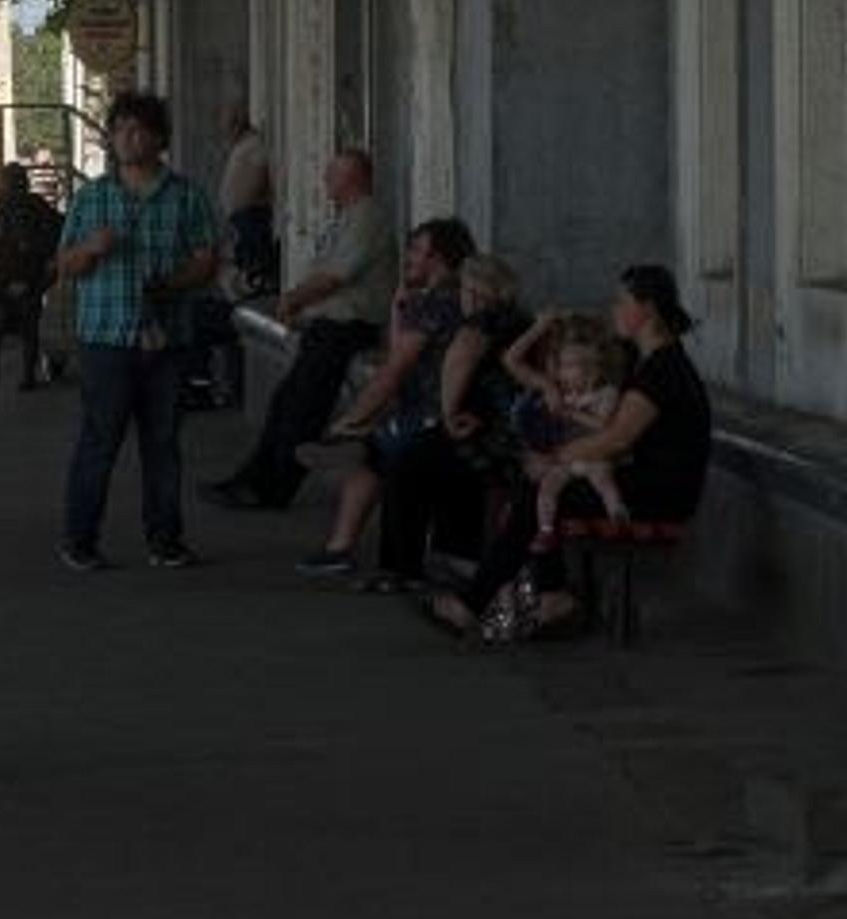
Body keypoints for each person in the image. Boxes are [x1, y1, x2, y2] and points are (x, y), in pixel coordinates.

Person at [422, 266, 712, 639]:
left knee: (534, 496)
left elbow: (616, 439)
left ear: (649, 309)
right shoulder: (656, 361)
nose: (614, 310)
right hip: (647, 482)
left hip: (657, 493)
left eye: (622, 302)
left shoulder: (663, 370)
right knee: (536, 492)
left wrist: (555, 458)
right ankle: (548, 595)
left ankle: (479, 604)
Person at [53, 89, 223, 572]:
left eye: (137, 130)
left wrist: (173, 282)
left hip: (167, 338)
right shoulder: (93, 197)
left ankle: (165, 539)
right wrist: (90, 249)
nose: (127, 138)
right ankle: (79, 539)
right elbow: (64, 264)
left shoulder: (185, 195)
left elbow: (208, 259)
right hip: (105, 338)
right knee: (99, 439)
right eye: (119, 129)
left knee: (163, 442)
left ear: (159, 138)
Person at [294, 235, 503, 584]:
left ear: (438, 259)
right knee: (378, 453)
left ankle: (360, 550)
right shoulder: (442, 304)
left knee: (386, 455)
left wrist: (352, 418)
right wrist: (396, 308)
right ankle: (344, 543)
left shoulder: (441, 305)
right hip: (443, 413)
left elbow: (397, 367)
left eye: (417, 250)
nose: (408, 258)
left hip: (444, 418)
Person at [203, 148, 396, 510]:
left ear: (353, 178)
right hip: (329, 325)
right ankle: (251, 480)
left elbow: (335, 277)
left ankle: (271, 488)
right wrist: (303, 309)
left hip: (347, 329)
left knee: (301, 411)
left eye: (332, 175)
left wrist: (292, 300)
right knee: (285, 404)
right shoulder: (348, 218)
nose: (325, 182)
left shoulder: (367, 218)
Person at [509, 309, 633, 547]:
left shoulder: (605, 393)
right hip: (565, 458)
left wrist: (574, 412)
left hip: (593, 456)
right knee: (547, 487)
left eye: (568, 367)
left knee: (603, 480)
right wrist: (538, 328)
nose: (562, 373)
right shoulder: (560, 392)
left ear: (592, 369)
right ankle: (545, 530)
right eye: (561, 365)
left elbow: (605, 427)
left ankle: (617, 513)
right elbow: (513, 361)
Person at [0, 160, 61, 390]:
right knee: (24, 327)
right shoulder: (33, 205)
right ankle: (22, 376)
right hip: (22, 274)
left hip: (16, 273)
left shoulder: (8, 206)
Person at [218, 104, 280, 296]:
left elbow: (265, 174)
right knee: (243, 260)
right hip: (240, 217)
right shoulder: (241, 146)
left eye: (229, 123)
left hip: (253, 215)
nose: (225, 129)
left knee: (254, 261)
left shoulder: (254, 145)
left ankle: (259, 284)